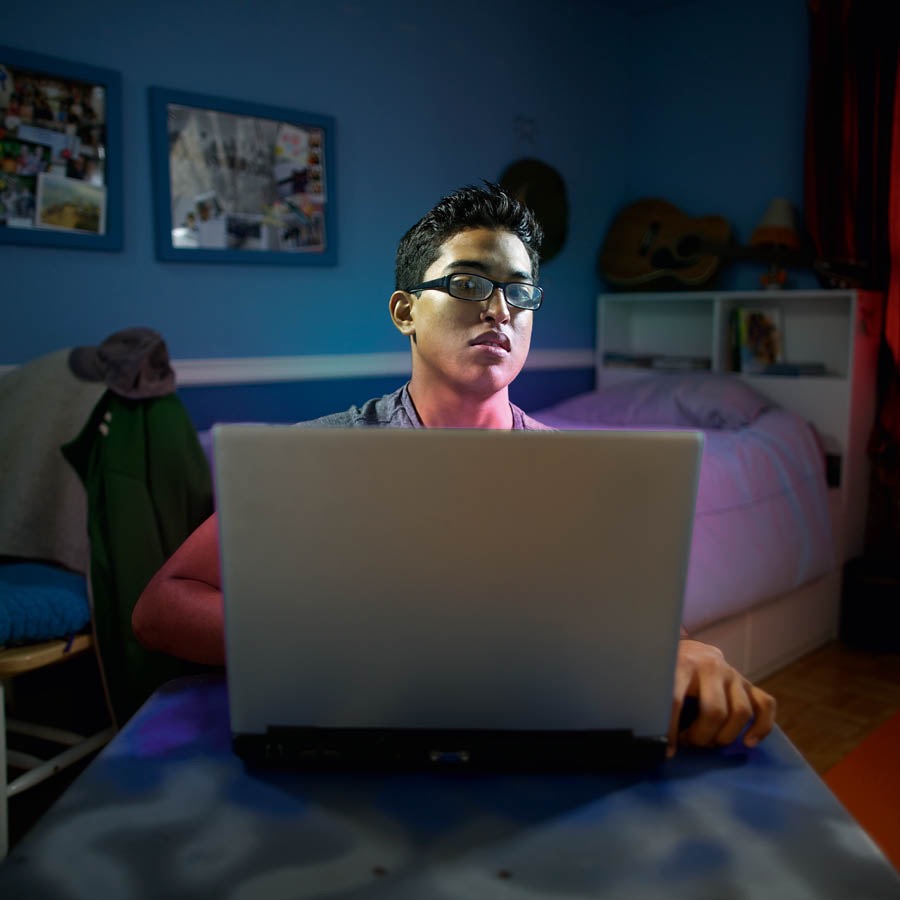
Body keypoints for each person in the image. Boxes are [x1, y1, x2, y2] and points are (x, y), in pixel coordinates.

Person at [133, 182, 776, 758]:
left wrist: (690, 650)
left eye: (519, 292)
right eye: (469, 284)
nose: (500, 309)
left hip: (528, 747)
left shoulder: (577, 471)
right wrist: (322, 641)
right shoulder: (321, 454)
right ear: (405, 311)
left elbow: (641, 616)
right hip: (356, 743)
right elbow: (161, 607)